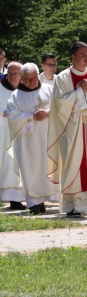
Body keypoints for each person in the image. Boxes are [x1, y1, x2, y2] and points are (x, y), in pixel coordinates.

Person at [47, 41, 87, 217]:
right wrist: (80, 91)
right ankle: (72, 206)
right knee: (73, 163)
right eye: (83, 54)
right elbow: (60, 105)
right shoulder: (63, 78)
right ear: (72, 57)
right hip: (73, 131)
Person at [7, 63, 59, 214]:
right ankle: (33, 202)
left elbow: (60, 108)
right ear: (21, 78)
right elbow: (12, 117)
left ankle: (44, 199)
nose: (32, 82)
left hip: (48, 137)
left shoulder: (49, 90)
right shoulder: (16, 96)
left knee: (47, 167)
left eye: (34, 78)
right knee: (31, 169)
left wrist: (48, 113)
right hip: (27, 142)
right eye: (28, 79)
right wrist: (31, 117)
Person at [0, 62, 24, 209]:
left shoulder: (25, 90)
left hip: (21, 134)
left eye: (16, 73)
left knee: (18, 165)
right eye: (11, 73)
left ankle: (16, 199)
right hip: (2, 134)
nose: (13, 76)